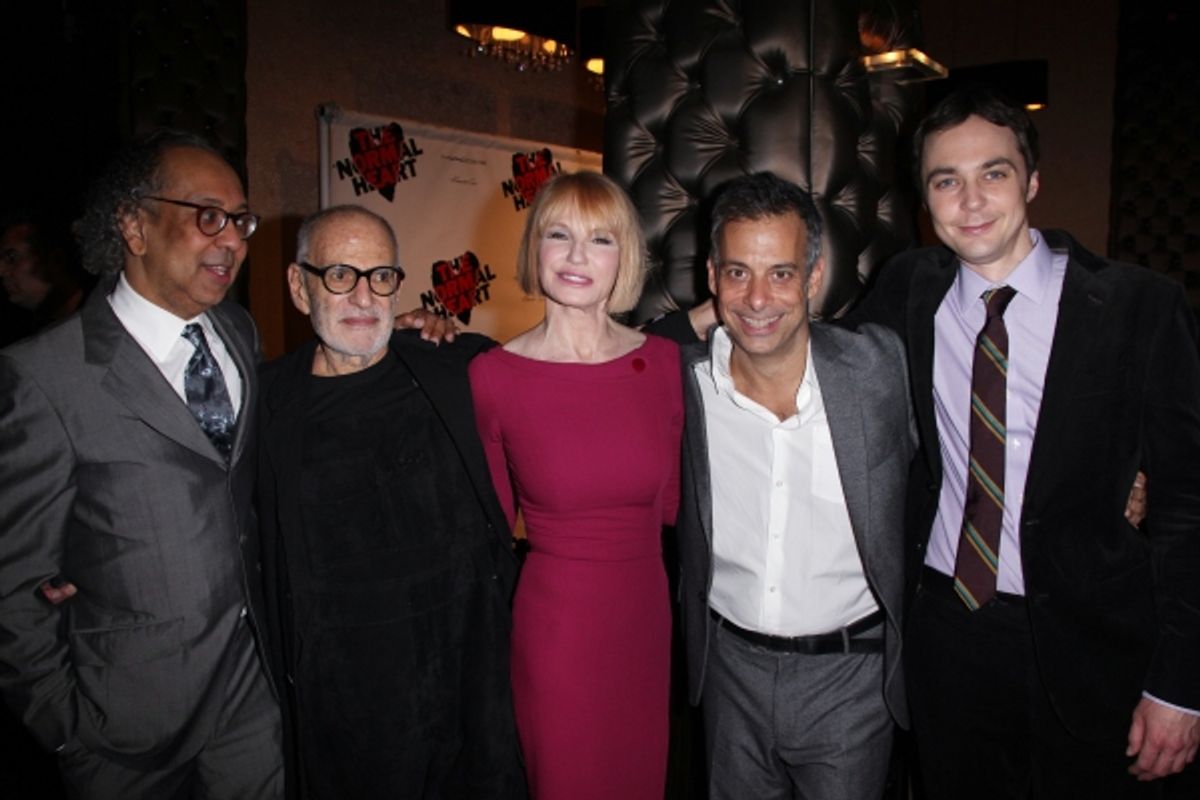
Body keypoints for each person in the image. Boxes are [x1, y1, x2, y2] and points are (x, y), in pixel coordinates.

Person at [848, 87, 1200, 798]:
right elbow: (811, 358)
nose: (971, 200)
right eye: (947, 181)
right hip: (947, 635)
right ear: (925, 199)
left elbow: (1189, 506)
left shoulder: (1138, 307)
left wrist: (1180, 685)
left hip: (1089, 646)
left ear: (1032, 181)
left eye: (994, 173)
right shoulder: (908, 288)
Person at [0, 130, 283, 798]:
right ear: (133, 224)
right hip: (123, 732)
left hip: (252, 697)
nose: (233, 240)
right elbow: (12, 585)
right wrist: (65, 725)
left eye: (240, 220)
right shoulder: (44, 377)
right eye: (207, 215)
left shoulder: (240, 334)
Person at [645, 172, 914, 798]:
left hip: (851, 678)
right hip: (728, 671)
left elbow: (970, 434)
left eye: (782, 273)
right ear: (712, 277)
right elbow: (593, 363)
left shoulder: (880, 368)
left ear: (814, 278)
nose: (758, 297)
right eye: (738, 272)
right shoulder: (681, 383)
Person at [257, 205, 525, 798]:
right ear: (300, 287)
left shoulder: (456, 363)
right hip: (350, 718)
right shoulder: (265, 405)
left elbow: (570, 374)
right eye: (340, 275)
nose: (363, 295)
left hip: (473, 693)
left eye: (380, 276)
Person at [468, 171, 682, 799]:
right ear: (535, 247)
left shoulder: (666, 365)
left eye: (601, 239)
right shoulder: (493, 377)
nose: (578, 256)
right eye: (559, 235)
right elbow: (488, 531)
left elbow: (674, 507)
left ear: (627, 257)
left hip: (645, 621)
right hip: (557, 631)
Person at [0, 211, 87, 346]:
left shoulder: (98, 318)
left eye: (12, 258)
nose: (2, 271)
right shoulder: (25, 333)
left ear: (53, 259)